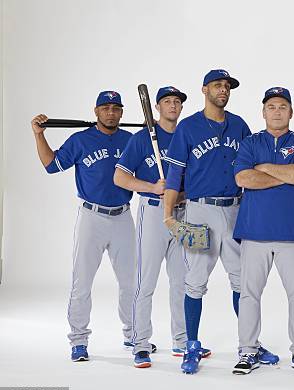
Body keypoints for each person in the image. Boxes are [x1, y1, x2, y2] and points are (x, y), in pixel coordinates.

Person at [162, 70, 278, 374]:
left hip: (236, 209)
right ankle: (191, 344)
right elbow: (174, 176)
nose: (223, 90)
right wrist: (167, 214)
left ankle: (250, 344)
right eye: (218, 85)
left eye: (227, 86)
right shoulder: (187, 128)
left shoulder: (239, 125)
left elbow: (253, 168)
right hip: (200, 211)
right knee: (196, 280)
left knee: (242, 280)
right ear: (204, 90)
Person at [31, 91, 136, 362]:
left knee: (130, 282)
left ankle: (134, 333)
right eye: (106, 108)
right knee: (82, 283)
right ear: (96, 111)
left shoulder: (131, 140)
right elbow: (51, 165)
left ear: (122, 113)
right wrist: (39, 134)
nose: (111, 112)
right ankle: (78, 341)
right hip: (92, 217)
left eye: (116, 108)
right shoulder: (81, 139)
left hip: (123, 216)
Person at [232, 87, 294, 376]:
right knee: (249, 295)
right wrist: (286, 175)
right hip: (254, 231)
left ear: (291, 112)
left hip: (292, 232)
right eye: (271, 106)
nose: (277, 111)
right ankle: (247, 350)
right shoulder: (251, 143)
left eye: (282, 106)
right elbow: (244, 177)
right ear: (263, 112)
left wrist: (266, 168)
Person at [114, 86, 188, 368]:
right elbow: (120, 177)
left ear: (181, 108)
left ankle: (181, 341)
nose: (173, 105)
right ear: (157, 107)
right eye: (167, 101)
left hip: (182, 213)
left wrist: (179, 192)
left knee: (181, 281)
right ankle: (140, 343)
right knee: (145, 281)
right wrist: (151, 187)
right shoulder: (143, 138)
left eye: (177, 102)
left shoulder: (186, 136)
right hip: (153, 211)